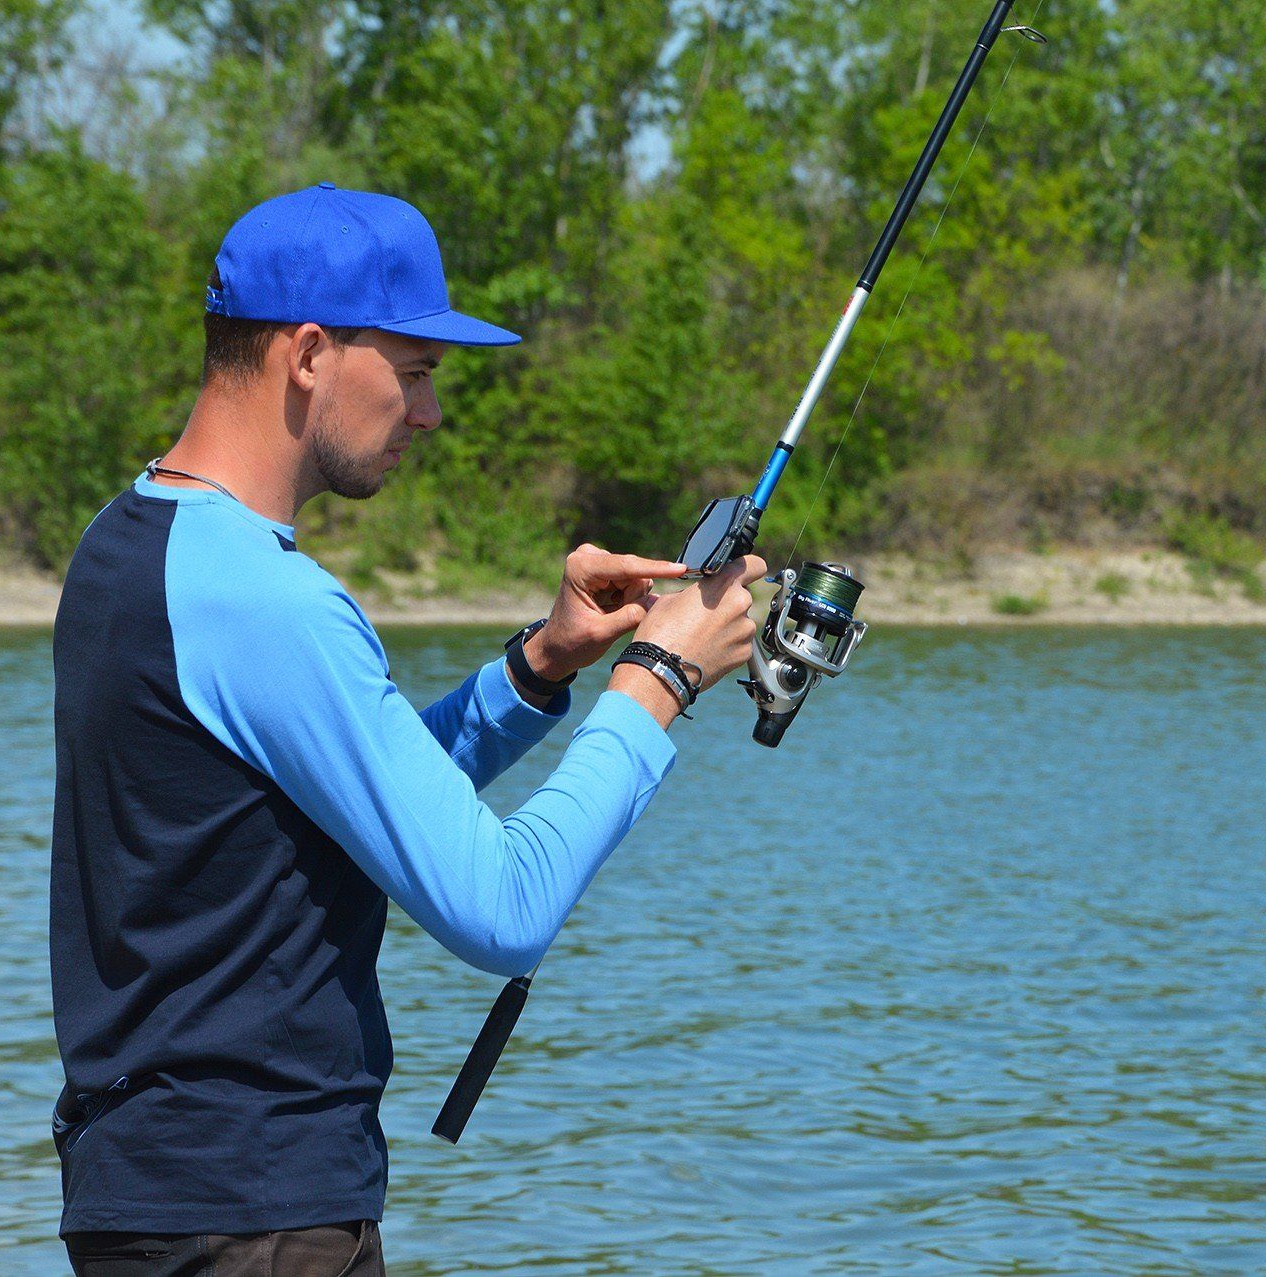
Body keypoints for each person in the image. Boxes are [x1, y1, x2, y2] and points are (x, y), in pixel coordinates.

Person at [48, 183, 766, 1275]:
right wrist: (659, 677)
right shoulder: (267, 602)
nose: (429, 414)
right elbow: (502, 907)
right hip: (258, 1223)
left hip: (158, 1200)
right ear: (308, 354)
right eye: (415, 374)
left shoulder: (129, 540)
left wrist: (539, 667)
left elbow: (325, 806)